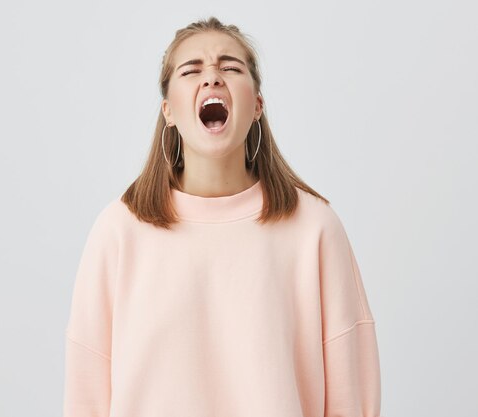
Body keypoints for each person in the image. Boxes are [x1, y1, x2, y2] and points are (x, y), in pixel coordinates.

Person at [63, 16, 382, 417]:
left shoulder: (315, 228)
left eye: (230, 68)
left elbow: (351, 398)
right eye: (191, 70)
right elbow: (87, 398)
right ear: (169, 111)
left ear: (257, 106)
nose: (212, 77)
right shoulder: (119, 231)